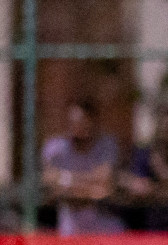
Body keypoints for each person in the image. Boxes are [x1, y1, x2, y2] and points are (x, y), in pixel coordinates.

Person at [42, 99, 124, 236]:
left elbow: (105, 182)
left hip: (103, 227)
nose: (77, 128)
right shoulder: (56, 148)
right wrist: (90, 187)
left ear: (93, 122)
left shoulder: (107, 145)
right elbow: (50, 182)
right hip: (69, 228)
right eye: (73, 123)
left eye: (82, 122)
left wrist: (66, 180)